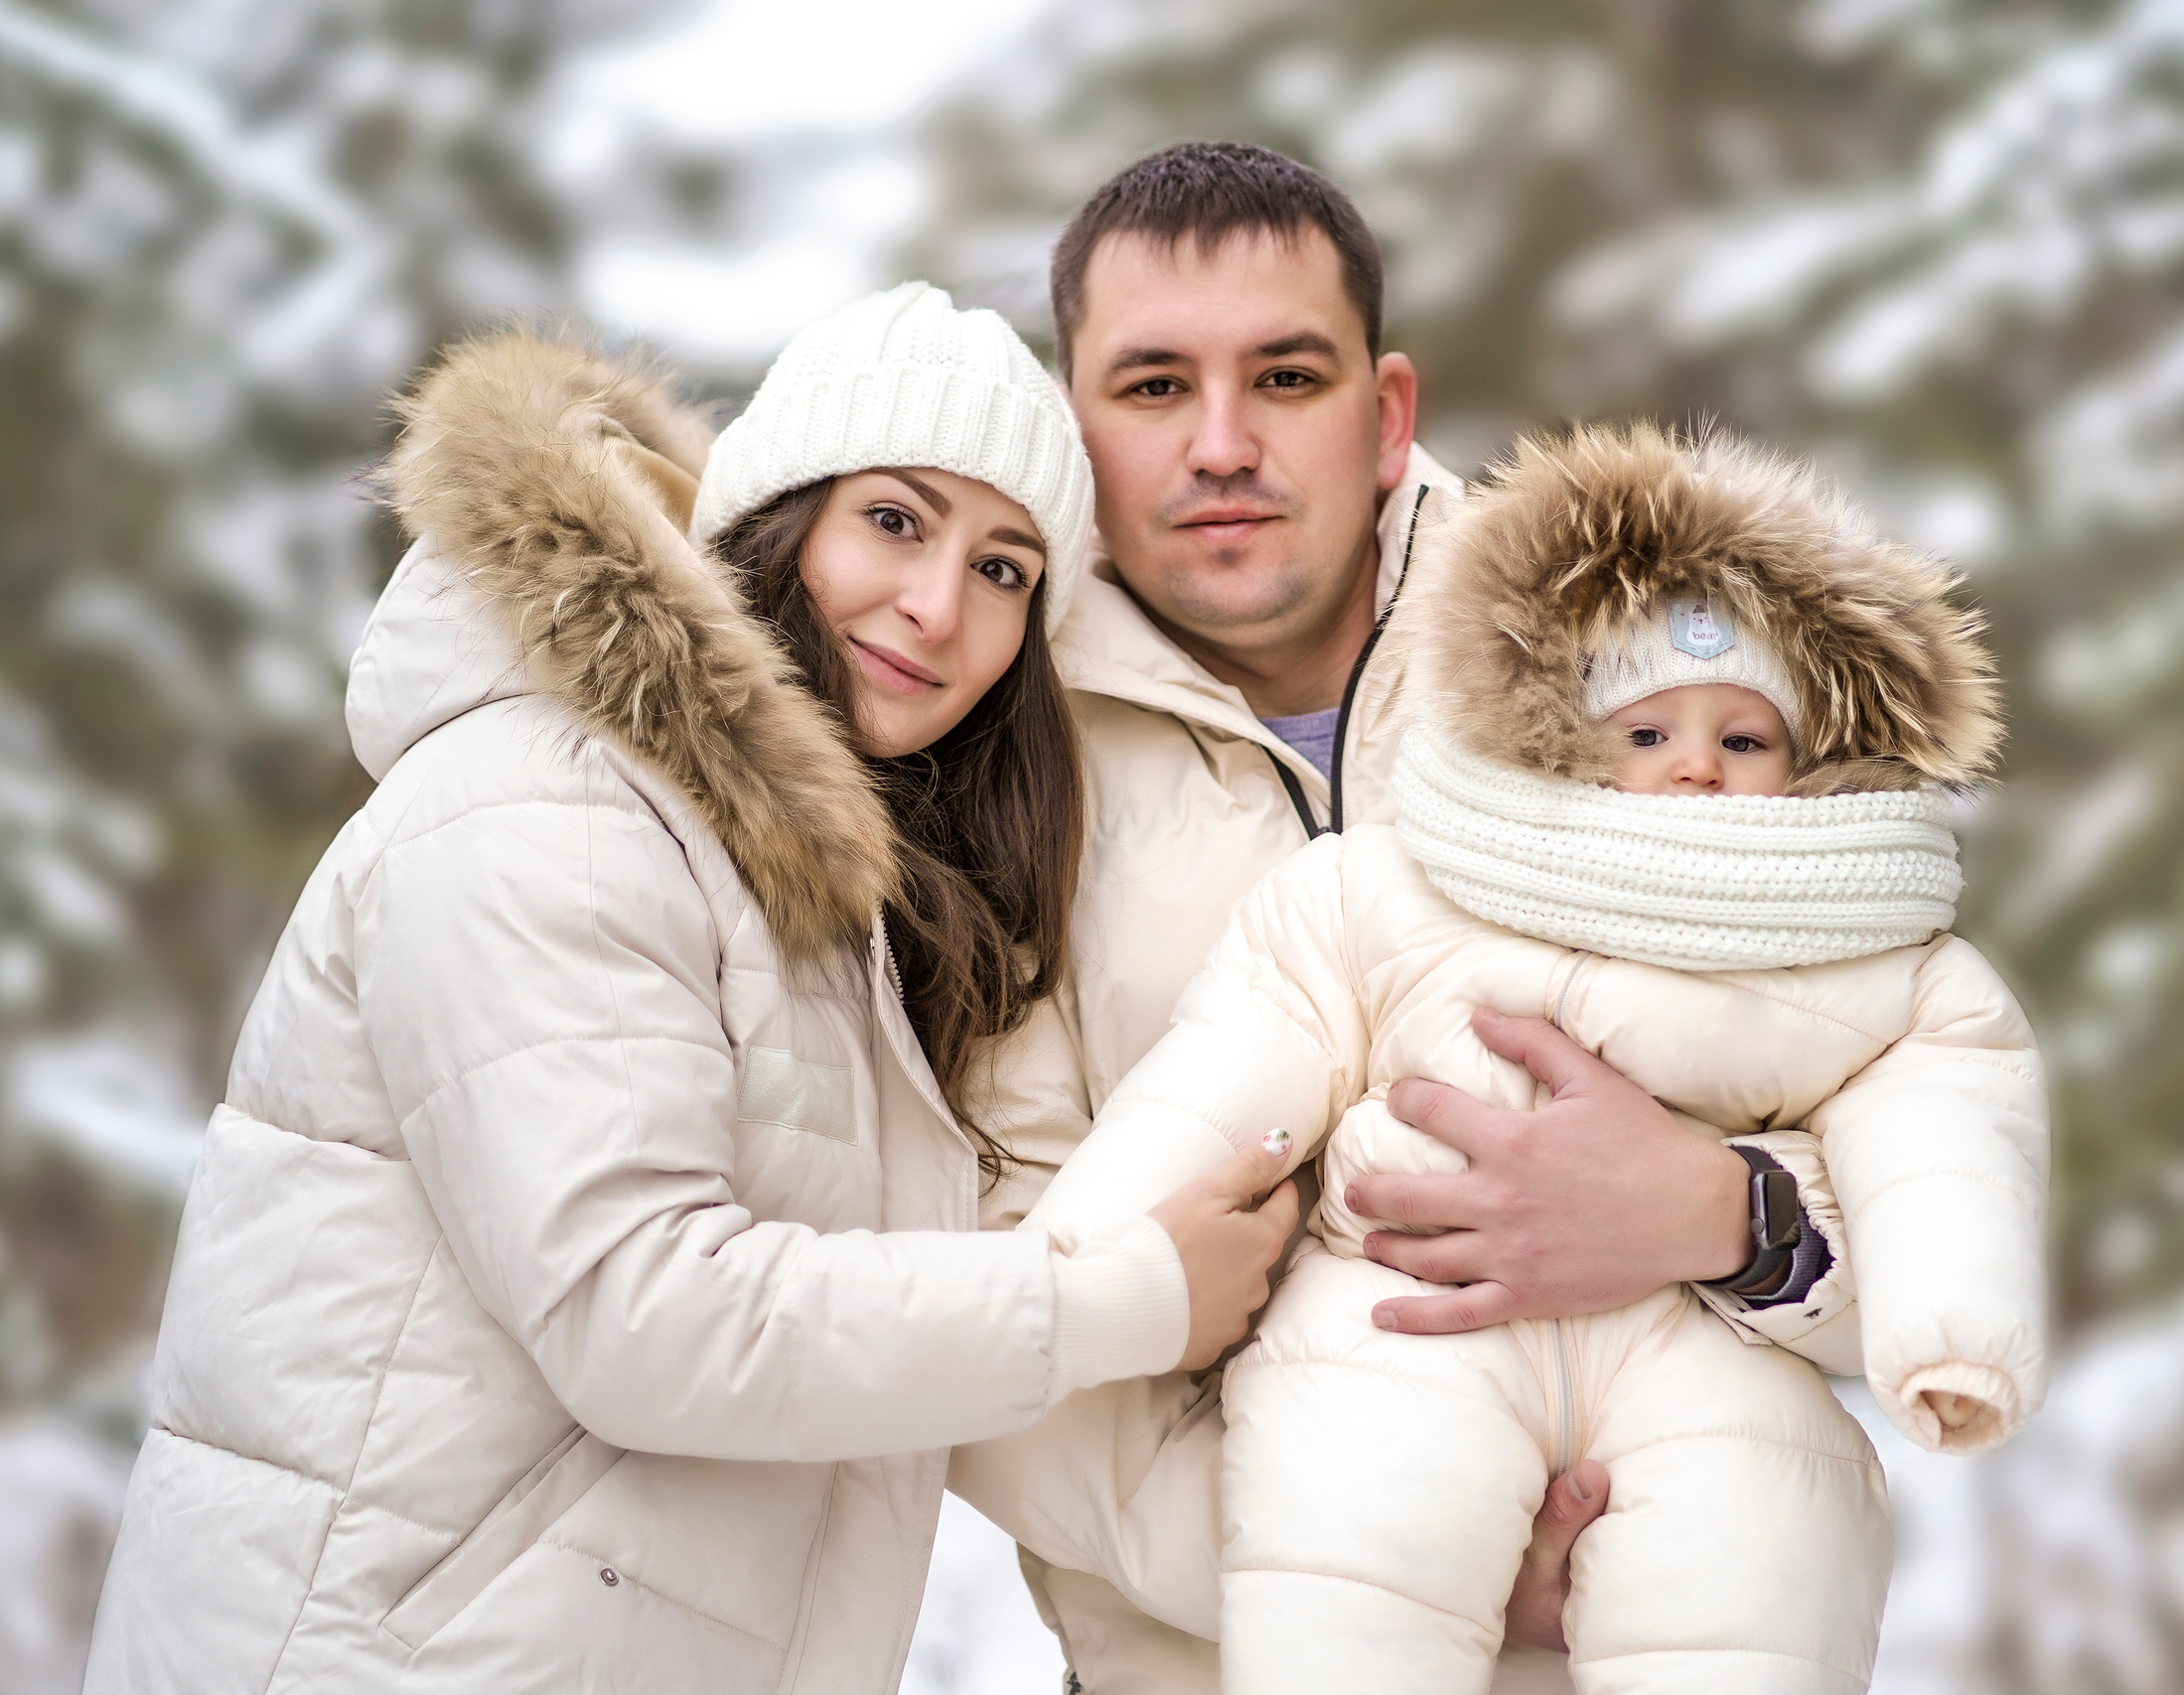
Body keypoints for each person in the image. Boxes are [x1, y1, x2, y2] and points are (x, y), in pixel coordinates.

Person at [78, 283, 1296, 1694]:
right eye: (893, 520)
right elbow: (642, 1312)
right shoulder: (553, 799)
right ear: (781, 517)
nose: (937, 606)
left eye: (1005, 570)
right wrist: (1121, 1300)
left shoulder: (816, 905)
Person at [947, 143, 1867, 1692]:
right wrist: (1401, 1567)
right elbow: (984, 1312)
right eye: (1156, 386)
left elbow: (1923, 1119)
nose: (1222, 445)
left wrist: (1734, 1212)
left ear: (1383, 415)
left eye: (1285, 377)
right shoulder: (981, 748)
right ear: (1071, 420)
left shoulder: (1641, 669)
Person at [1026, 421, 2052, 1693]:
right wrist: (1083, 1251)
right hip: (1406, 1318)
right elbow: (1232, 1063)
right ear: (1562, 737)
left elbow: (1945, 1141)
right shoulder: (1391, 886)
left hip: (1711, 1362)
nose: (1694, 768)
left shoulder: (1868, 949)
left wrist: (1951, 1328)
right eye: (1645, 735)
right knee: (1351, 1536)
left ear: (1812, 767)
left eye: (1743, 741)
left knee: (1749, 1571)